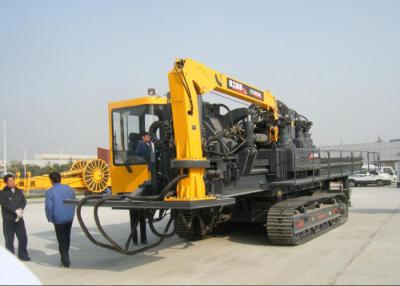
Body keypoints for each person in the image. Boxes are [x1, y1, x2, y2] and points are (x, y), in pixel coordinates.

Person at [45, 172, 76, 268]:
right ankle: (66, 257)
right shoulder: (69, 188)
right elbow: (74, 201)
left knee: (61, 240)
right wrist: (71, 214)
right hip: (69, 217)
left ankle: (65, 261)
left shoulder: (50, 191)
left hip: (58, 218)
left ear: (51, 180)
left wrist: (50, 217)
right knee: (67, 237)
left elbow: (49, 207)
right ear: (60, 178)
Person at [0, 174, 30, 261]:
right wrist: (15, 211)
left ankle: (23, 256)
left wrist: (20, 208)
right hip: (8, 219)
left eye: (13, 180)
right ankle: (10, 258)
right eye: (9, 181)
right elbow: (5, 205)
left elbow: (23, 201)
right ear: (6, 182)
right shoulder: (2, 193)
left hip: (19, 219)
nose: (12, 182)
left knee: (23, 237)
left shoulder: (19, 191)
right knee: (9, 239)